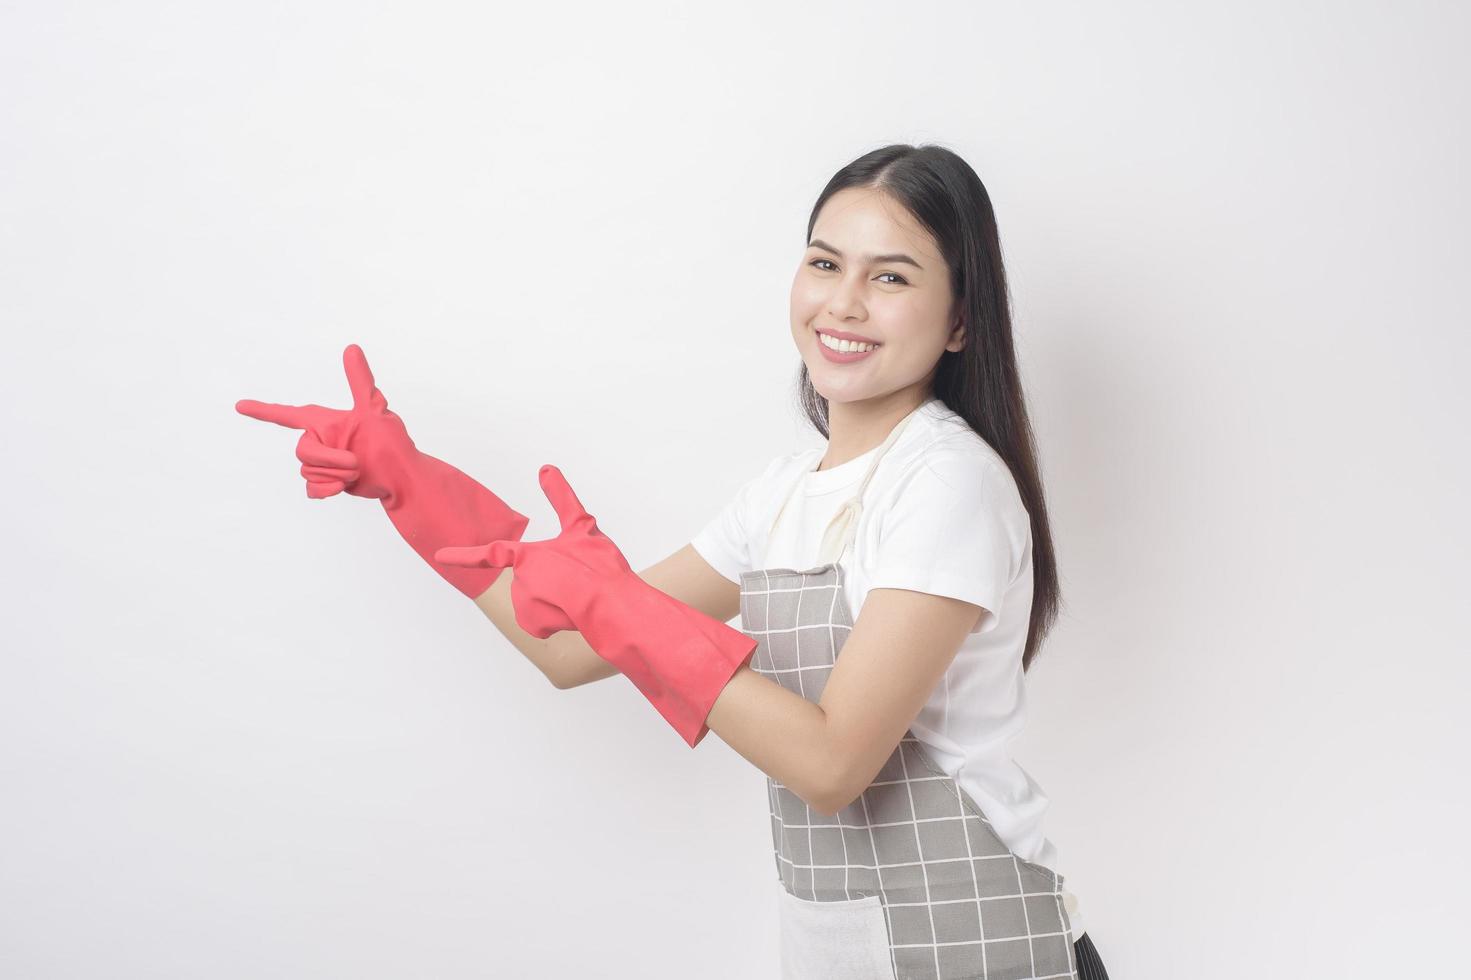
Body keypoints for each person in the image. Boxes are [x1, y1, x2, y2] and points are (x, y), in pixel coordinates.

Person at [237, 143, 1110, 980]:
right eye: (823, 263)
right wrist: (414, 491)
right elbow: (568, 650)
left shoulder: (944, 483)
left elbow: (833, 763)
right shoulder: (779, 495)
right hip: (841, 952)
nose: (842, 303)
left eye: (890, 276)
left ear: (960, 320)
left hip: (983, 952)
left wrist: (629, 611)